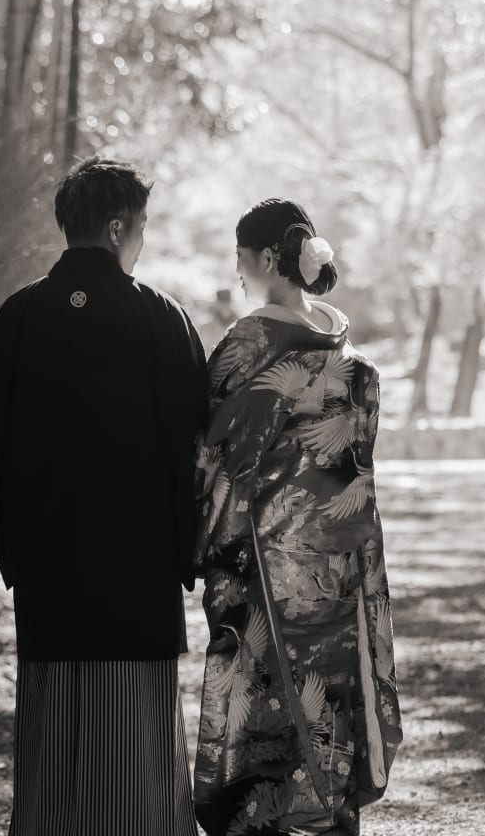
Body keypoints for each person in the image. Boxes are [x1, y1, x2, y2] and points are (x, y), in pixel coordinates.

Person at [0, 155, 207, 836]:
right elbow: (196, 450)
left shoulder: (19, 316)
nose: (142, 240)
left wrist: (18, 545)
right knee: (134, 734)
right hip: (138, 569)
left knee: (54, 731)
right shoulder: (160, 320)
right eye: (141, 226)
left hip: (50, 569)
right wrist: (189, 551)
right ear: (118, 228)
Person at [192, 199, 402, 836]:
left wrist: (201, 544)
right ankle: (330, 811)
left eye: (239, 256)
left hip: (263, 561)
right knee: (329, 685)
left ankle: (262, 819)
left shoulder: (247, 348)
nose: (237, 268)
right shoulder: (348, 357)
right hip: (336, 564)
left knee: (264, 693)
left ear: (261, 259)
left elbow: (214, 460)